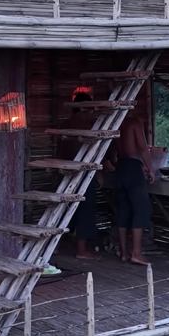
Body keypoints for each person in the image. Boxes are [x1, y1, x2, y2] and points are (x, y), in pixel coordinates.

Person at [59, 92, 100, 260]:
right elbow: (94, 151)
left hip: (66, 169)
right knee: (85, 208)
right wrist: (100, 171)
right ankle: (81, 250)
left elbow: (60, 150)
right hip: (83, 171)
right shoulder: (88, 124)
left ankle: (58, 246)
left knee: (66, 209)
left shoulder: (66, 124)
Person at [112, 114, 155, 265]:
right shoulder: (134, 122)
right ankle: (136, 253)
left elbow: (112, 154)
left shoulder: (114, 123)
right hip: (133, 168)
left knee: (123, 210)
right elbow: (143, 148)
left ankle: (124, 253)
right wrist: (150, 170)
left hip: (120, 168)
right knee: (141, 209)